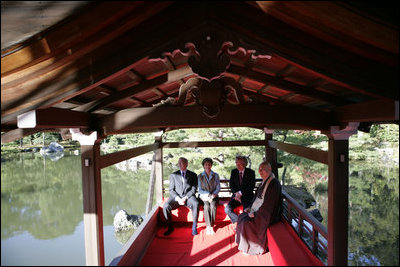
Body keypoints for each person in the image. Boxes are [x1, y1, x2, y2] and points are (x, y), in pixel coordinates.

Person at [235, 160, 282, 255]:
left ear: (270, 169)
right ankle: (243, 244)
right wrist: (249, 208)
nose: (260, 172)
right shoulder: (264, 181)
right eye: (259, 170)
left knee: (247, 223)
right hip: (257, 209)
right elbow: (256, 198)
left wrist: (256, 214)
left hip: (266, 214)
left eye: (263, 170)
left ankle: (251, 248)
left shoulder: (274, 184)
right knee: (241, 217)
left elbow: (270, 205)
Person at [162, 157, 199, 236]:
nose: (179, 164)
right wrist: (178, 198)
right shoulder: (173, 175)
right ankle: (170, 227)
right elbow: (171, 190)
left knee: (196, 203)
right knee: (165, 206)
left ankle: (194, 226)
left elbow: (193, 189)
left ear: (186, 164)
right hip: (176, 197)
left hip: (188, 197)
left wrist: (186, 197)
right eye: (178, 163)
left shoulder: (193, 175)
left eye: (181, 163)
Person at [224, 155, 256, 224]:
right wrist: (237, 194)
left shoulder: (251, 172)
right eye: (236, 163)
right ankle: (238, 222)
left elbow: (251, 187)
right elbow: (231, 185)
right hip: (236, 197)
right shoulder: (234, 172)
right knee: (227, 209)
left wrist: (240, 193)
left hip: (247, 196)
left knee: (247, 211)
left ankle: (246, 224)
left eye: (240, 163)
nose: (238, 165)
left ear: (245, 164)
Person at [197, 157, 221, 235]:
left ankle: (212, 226)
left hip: (214, 196)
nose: (207, 166)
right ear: (203, 165)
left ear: (211, 165)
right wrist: (208, 195)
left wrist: (214, 194)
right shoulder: (200, 176)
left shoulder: (216, 175)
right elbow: (200, 189)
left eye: (209, 164)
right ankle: (208, 226)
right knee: (206, 206)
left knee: (213, 205)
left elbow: (218, 187)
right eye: (206, 164)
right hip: (204, 197)